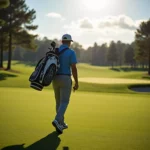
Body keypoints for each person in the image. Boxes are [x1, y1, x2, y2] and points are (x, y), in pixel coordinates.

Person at [52, 34, 79, 134]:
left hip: (55, 78)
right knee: (64, 102)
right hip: (65, 78)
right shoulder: (71, 52)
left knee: (58, 102)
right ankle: (57, 119)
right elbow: (74, 68)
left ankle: (61, 123)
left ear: (62, 41)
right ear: (69, 42)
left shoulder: (56, 51)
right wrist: (76, 82)